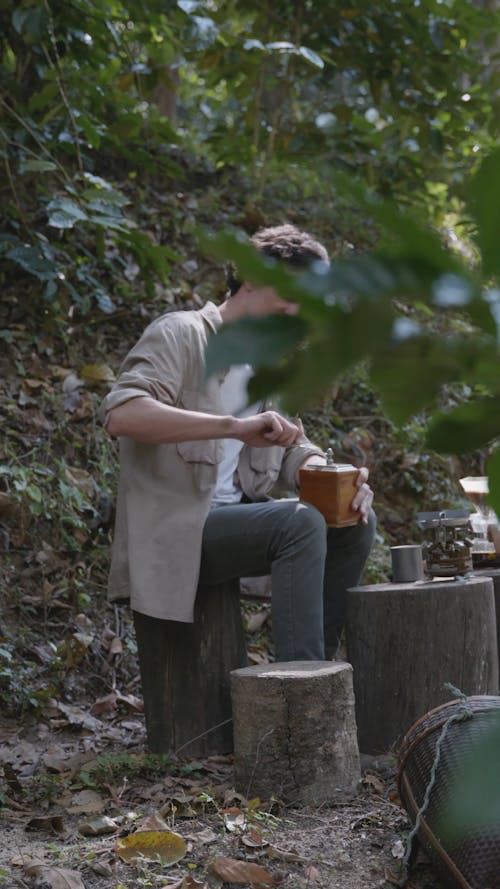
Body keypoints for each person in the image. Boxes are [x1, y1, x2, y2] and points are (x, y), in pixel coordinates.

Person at [100, 223, 375, 661]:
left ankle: (319, 671)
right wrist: (231, 425)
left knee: (353, 520)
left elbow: (287, 450)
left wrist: (336, 477)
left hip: (235, 524)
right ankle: (298, 681)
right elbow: (123, 414)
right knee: (299, 522)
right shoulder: (181, 333)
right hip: (174, 529)